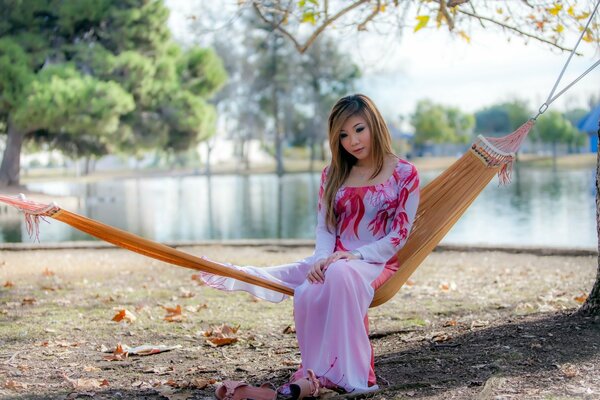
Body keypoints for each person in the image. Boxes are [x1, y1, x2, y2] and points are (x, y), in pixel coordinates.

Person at [203, 94, 420, 398]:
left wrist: (354, 255)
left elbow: (399, 235)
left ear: (375, 124)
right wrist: (321, 258)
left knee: (340, 275)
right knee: (306, 285)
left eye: (359, 129)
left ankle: (355, 377)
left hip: (375, 261)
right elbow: (325, 226)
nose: (352, 141)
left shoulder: (404, 173)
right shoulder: (333, 174)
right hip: (333, 257)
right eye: (343, 135)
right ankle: (318, 373)